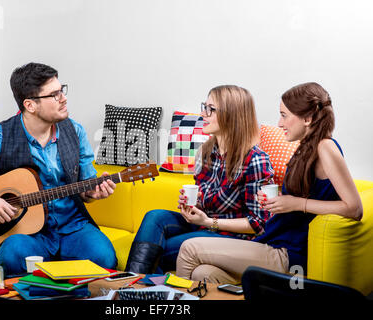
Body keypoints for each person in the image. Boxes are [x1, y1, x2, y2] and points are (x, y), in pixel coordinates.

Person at [0, 62, 118, 277]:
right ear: (30, 105)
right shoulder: (0, 137)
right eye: (54, 95)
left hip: (72, 226)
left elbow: (86, 189)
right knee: (14, 255)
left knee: (104, 259)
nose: (63, 98)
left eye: (62, 90)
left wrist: (93, 193)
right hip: (26, 233)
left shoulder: (75, 131)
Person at [176, 82, 363, 283]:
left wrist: (296, 203)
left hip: (289, 252)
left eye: (284, 115)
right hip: (273, 240)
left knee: (190, 248)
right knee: (203, 273)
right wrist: (279, 203)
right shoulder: (305, 149)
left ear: (307, 118)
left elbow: (354, 209)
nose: (280, 123)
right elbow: (305, 197)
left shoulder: (326, 147)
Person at [125, 85, 274, 274]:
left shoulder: (255, 160)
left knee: (164, 249)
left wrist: (209, 222)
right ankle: (130, 285)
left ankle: (139, 288)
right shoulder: (206, 152)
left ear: (232, 115)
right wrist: (190, 207)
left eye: (211, 109)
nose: (203, 113)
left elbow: (259, 224)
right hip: (205, 225)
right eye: (205, 106)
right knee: (155, 217)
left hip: (233, 236)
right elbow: (203, 202)